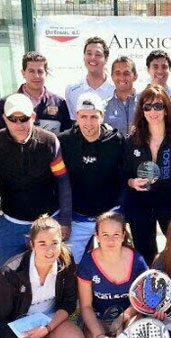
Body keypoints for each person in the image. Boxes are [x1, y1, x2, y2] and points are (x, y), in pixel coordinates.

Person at [0, 93, 72, 266]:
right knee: (9, 278)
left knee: (55, 275)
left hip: (49, 222)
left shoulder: (50, 141)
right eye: (13, 119)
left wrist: (65, 220)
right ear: (4, 119)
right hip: (11, 223)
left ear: (33, 117)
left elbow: (62, 181)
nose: (19, 124)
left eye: (24, 118)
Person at [122, 85, 171, 265]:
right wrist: (132, 182)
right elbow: (124, 175)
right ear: (142, 111)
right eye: (147, 107)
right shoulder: (132, 141)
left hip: (169, 202)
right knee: (145, 254)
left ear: (166, 110)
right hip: (140, 203)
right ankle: (148, 289)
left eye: (158, 106)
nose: (153, 111)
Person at [78, 211, 148, 338]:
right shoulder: (88, 263)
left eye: (116, 234)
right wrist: (99, 335)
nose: (111, 240)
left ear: (124, 235)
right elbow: (86, 306)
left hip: (128, 316)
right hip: (99, 317)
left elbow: (143, 300)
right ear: (96, 236)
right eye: (105, 234)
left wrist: (122, 320)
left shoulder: (136, 260)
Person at [59, 92, 125, 265]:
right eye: (83, 117)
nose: (88, 123)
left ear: (102, 116)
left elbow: (124, 178)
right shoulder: (64, 141)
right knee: (71, 265)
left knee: (114, 263)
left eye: (94, 117)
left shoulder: (115, 140)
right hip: (78, 218)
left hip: (110, 216)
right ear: (76, 117)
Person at [0, 51, 72, 134]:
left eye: (40, 71)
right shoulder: (6, 103)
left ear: (46, 74)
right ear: (23, 73)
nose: (36, 76)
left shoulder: (59, 103)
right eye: (31, 71)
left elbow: (66, 138)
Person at [65, 37, 115, 120]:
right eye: (89, 53)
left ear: (106, 59)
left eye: (98, 55)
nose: (93, 58)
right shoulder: (72, 90)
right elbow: (73, 124)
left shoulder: (115, 90)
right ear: (84, 57)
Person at [104, 56, 139, 136]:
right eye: (117, 73)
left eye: (126, 73)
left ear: (135, 76)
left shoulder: (145, 104)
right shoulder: (104, 107)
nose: (122, 77)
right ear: (112, 77)